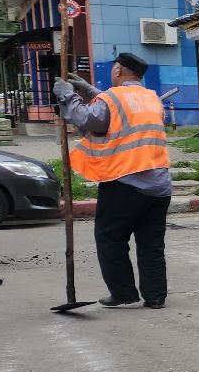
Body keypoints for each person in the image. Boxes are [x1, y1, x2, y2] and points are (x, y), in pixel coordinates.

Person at [53, 52, 170, 309]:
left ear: (117, 71)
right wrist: (90, 91)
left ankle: (123, 292)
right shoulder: (151, 98)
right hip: (159, 184)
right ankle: (156, 295)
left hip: (125, 181)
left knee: (110, 238)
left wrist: (68, 94)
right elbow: (119, 109)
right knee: (151, 244)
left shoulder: (111, 98)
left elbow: (88, 119)